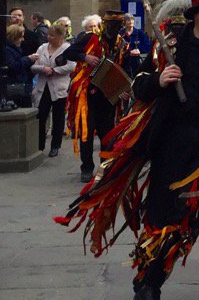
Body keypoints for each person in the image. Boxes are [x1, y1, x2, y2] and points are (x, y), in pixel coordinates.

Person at [56, 0, 199, 300]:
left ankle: (150, 288)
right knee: (162, 217)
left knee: (186, 220)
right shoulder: (173, 48)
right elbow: (138, 87)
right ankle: (145, 291)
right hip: (174, 143)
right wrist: (160, 80)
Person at [63, 12, 126, 182]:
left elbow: (126, 69)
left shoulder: (122, 44)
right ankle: (87, 168)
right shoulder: (89, 38)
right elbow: (69, 53)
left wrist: (125, 88)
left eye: (118, 27)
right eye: (111, 26)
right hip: (88, 92)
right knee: (87, 131)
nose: (114, 30)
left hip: (108, 94)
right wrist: (85, 57)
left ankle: (105, 166)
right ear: (104, 25)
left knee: (108, 133)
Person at [31, 21, 73, 156]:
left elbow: (72, 66)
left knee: (58, 117)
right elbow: (33, 66)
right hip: (43, 87)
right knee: (41, 116)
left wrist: (54, 71)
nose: (49, 37)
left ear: (61, 37)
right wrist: (43, 69)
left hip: (59, 88)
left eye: (52, 35)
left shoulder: (67, 49)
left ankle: (55, 145)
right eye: (48, 35)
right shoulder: (42, 48)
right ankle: (40, 145)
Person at [4, 24, 33, 107]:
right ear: (14, 37)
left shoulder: (13, 49)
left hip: (19, 86)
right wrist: (28, 59)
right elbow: (12, 67)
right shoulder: (7, 50)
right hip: (14, 88)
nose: (22, 40)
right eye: (21, 37)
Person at [119, 13, 151, 80]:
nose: (131, 22)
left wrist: (139, 50)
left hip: (138, 64)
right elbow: (117, 49)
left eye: (132, 19)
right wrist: (129, 52)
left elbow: (148, 47)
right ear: (124, 22)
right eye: (128, 20)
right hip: (124, 65)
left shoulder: (140, 33)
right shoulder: (120, 34)